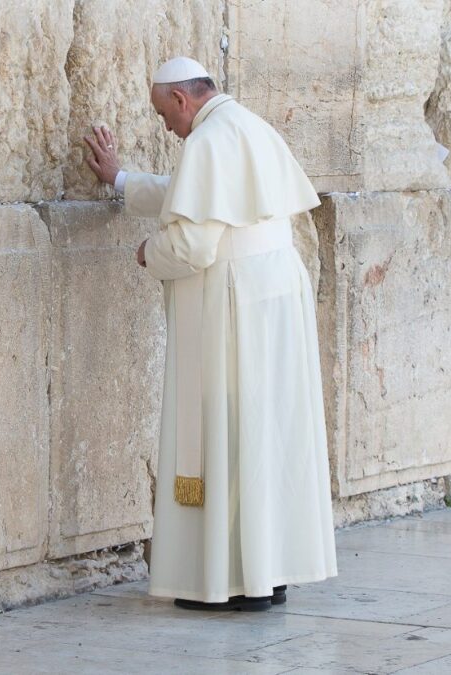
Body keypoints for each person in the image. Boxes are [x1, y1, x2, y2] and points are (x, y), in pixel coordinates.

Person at [83, 56, 338, 611]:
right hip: (274, 295)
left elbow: (194, 245)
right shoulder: (246, 125)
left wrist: (150, 253)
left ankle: (224, 582)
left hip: (233, 303)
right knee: (264, 434)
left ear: (180, 99)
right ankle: (265, 575)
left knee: (226, 431)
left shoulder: (205, 141)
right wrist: (120, 179)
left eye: (162, 114)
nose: (165, 127)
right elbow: (188, 192)